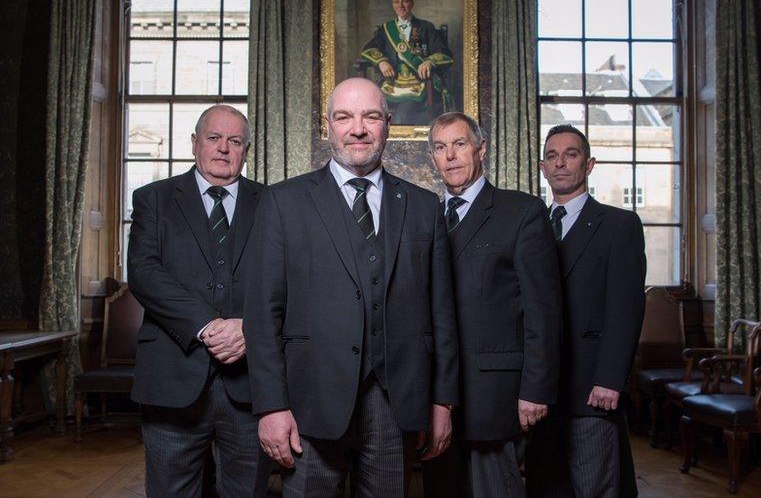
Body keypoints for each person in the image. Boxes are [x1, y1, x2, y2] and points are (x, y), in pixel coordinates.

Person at [243, 77, 460, 497]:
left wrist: (442, 402)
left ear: (388, 125)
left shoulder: (422, 206)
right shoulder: (283, 202)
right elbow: (262, 313)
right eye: (344, 117)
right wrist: (271, 406)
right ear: (328, 126)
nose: (357, 128)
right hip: (310, 400)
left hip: (395, 403)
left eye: (371, 116)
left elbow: (442, 315)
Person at [127, 105, 271, 497]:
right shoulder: (153, 199)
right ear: (195, 143)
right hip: (172, 378)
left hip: (250, 384)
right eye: (214, 138)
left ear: (246, 149)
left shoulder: (273, 203)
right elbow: (143, 272)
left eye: (235, 141)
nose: (224, 148)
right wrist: (208, 326)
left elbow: (289, 282)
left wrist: (250, 328)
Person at [422, 112, 562, 498]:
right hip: (435, 393)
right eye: (440, 147)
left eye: (460, 144)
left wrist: (536, 389)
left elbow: (543, 311)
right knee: (441, 488)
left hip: (494, 393)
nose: (450, 155)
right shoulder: (424, 215)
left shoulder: (521, 212)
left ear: (481, 149)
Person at [528, 124, 646, 498]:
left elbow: (625, 308)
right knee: (548, 487)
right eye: (552, 156)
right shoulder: (530, 227)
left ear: (589, 164)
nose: (560, 163)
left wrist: (611, 379)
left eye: (571, 154)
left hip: (592, 388)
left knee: (594, 487)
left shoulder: (619, 225)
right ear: (543, 167)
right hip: (541, 391)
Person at [360, 0, 454, 125]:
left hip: (419, 83)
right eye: (396, 2)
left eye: (404, 1)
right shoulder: (386, 29)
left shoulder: (426, 27)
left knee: (402, 115)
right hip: (392, 82)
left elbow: (444, 53)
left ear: (412, 3)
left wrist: (429, 62)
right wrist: (381, 61)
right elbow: (368, 48)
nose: (400, 6)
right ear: (393, 5)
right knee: (371, 111)